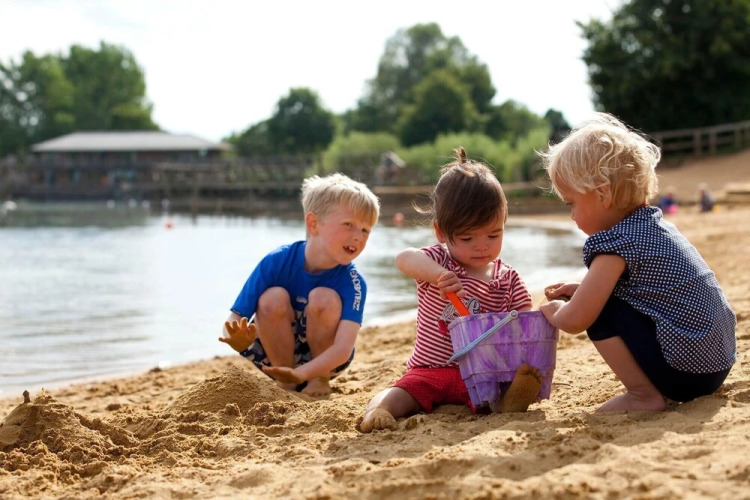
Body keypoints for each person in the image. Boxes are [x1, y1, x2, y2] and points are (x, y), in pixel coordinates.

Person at [538, 113, 736, 412]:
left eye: (572, 203)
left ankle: (643, 394)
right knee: (604, 300)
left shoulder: (615, 244)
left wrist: (555, 312)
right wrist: (583, 289)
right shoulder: (655, 227)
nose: (572, 216)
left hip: (684, 375)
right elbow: (649, 293)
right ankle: (650, 390)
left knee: (601, 310)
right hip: (717, 364)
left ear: (602, 194)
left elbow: (576, 320)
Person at [360, 147, 543, 432]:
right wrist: (438, 276)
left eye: (493, 235)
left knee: (495, 395)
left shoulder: (507, 278)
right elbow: (404, 259)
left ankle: (508, 403)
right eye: (468, 238)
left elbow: (524, 324)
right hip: (430, 370)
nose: (482, 246)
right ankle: (378, 409)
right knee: (403, 392)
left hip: (481, 374)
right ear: (441, 233)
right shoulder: (438, 261)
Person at [219, 173, 381, 397]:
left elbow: (343, 349)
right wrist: (236, 340)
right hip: (273, 354)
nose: (358, 236)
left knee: (323, 298)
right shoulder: (276, 261)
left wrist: (303, 373)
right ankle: (285, 380)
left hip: (328, 361)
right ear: (314, 224)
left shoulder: (353, 282)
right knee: (271, 297)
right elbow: (234, 319)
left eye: (365, 230)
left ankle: (318, 379)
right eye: (349, 225)